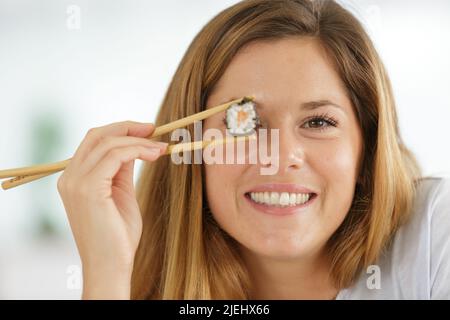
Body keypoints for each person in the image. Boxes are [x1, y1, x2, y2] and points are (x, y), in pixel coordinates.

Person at [56, 0, 450, 299]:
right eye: (243, 123)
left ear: (367, 150)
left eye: (318, 122)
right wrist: (107, 271)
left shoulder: (435, 230)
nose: (279, 156)